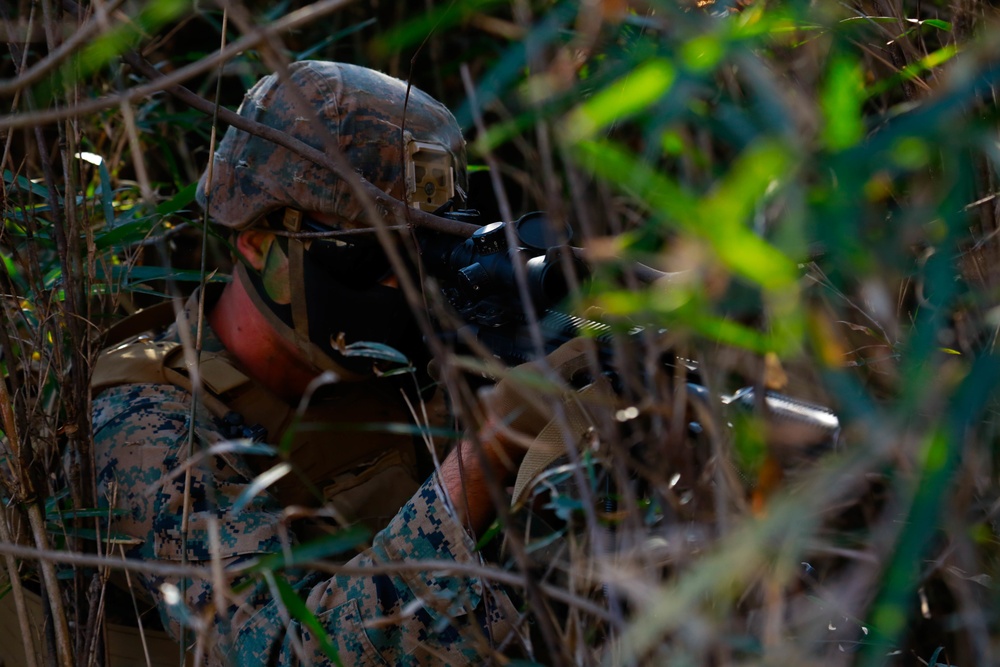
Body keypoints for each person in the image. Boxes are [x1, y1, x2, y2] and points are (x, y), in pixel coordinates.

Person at [91, 60, 599, 665]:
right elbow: (279, 653)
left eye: (419, 248)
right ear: (256, 240)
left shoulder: (413, 359)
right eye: (370, 249)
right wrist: (485, 452)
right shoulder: (147, 423)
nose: (399, 284)